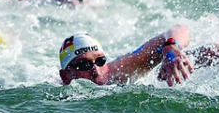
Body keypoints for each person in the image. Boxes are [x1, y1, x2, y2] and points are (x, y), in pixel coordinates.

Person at [58, 28, 198, 87]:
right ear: (65, 76)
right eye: (84, 65)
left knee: (213, 51)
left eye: (100, 61)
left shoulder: (120, 70)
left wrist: (171, 47)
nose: (96, 70)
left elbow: (180, 28)